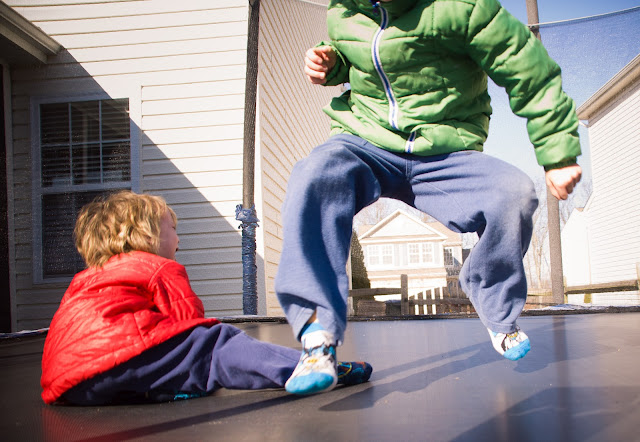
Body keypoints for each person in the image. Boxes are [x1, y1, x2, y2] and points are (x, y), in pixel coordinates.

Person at [276, 0, 582, 395]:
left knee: (514, 194)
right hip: (366, 141)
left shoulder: (464, 7)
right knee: (315, 175)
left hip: (444, 150)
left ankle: (497, 311)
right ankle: (317, 336)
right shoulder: (345, 10)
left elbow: (527, 68)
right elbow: (362, 57)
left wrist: (558, 152)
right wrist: (332, 62)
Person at [40, 191, 372, 405]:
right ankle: (307, 367)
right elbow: (187, 323)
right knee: (216, 344)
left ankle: (161, 389)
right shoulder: (157, 266)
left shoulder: (84, 278)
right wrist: (205, 350)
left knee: (161, 358)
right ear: (146, 235)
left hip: (67, 382)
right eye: (173, 229)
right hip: (118, 357)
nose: (178, 240)